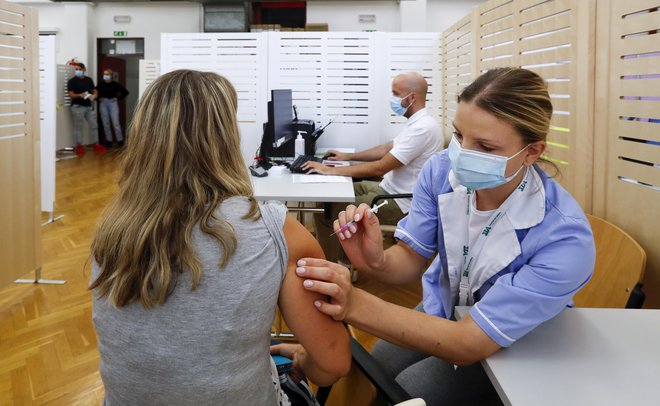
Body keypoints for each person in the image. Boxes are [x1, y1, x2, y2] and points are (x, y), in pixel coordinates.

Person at [295, 67, 596, 404]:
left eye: (484, 146)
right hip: (447, 310)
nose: (462, 155)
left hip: (518, 341)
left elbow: (469, 343)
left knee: (410, 389)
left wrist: (352, 302)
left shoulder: (565, 238)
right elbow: (411, 259)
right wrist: (377, 260)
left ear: (532, 152)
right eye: (458, 135)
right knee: (375, 368)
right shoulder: (439, 172)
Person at [89, 70, 350, 405]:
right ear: (224, 136)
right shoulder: (275, 229)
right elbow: (331, 364)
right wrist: (301, 359)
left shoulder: (111, 231)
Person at [303, 72, 443, 263]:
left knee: (327, 213)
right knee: (331, 196)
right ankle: (343, 258)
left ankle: (334, 265)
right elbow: (385, 149)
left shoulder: (423, 128)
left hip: (399, 203)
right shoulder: (416, 123)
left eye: (396, 93)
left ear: (412, 97)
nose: (392, 99)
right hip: (386, 189)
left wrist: (330, 170)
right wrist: (347, 157)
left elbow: (379, 168)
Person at [67, 62, 107, 156]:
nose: (77, 71)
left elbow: (94, 89)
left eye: (79, 69)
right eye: (76, 69)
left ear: (84, 70)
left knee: (94, 125)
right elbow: (71, 94)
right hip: (77, 107)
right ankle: (79, 146)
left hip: (88, 106)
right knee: (78, 127)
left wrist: (95, 94)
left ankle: (97, 144)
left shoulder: (89, 80)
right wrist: (79, 95)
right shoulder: (72, 81)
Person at [97, 68, 129, 147]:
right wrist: (98, 98)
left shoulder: (115, 84)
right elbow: (95, 93)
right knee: (106, 123)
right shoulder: (100, 84)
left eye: (107, 74)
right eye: (104, 74)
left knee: (116, 123)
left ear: (111, 75)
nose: (105, 76)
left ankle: (120, 141)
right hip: (103, 103)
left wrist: (117, 98)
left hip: (112, 103)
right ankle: (109, 141)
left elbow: (125, 92)